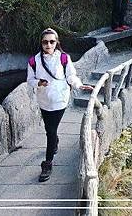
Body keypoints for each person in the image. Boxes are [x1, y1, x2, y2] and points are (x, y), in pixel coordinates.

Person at [27, 28, 93, 183]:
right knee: (49, 129)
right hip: (44, 100)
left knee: (50, 130)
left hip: (60, 99)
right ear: (41, 43)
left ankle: (47, 163)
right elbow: (29, 80)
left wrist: (79, 85)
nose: (48, 44)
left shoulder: (63, 58)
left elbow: (71, 75)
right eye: (45, 42)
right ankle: (55, 141)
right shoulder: (33, 61)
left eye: (52, 41)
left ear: (56, 43)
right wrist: (38, 82)